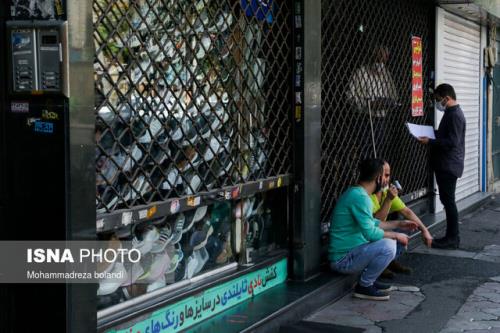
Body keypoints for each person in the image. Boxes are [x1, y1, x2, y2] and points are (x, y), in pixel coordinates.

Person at [329, 158, 418, 301]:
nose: (386, 181)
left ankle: (370, 280)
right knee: (388, 245)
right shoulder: (360, 197)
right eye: (385, 177)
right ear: (378, 178)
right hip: (343, 260)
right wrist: (395, 235)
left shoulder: (358, 194)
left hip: (352, 252)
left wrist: (399, 224)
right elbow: (370, 233)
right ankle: (364, 286)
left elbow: (373, 223)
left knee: (392, 239)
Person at [417, 83, 465, 249]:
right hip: (447, 164)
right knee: (447, 200)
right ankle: (451, 237)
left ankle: (452, 238)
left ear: (447, 98)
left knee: (448, 201)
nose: (438, 103)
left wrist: (430, 141)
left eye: (439, 100)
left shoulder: (455, 115)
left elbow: (452, 142)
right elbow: (446, 135)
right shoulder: (451, 113)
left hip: (448, 165)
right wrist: (432, 134)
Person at [371, 161, 433, 278]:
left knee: (410, 225)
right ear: (376, 176)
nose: (387, 180)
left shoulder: (385, 191)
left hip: (378, 232)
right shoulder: (368, 195)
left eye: (388, 176)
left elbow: (406, 211)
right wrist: (389, 199)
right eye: (385, 176)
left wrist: (424, 230)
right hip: (370, 235)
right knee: (394, 232)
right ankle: (379, 265)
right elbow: (374, 224)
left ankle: (388, 261)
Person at [346, 46, 399, 158]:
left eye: (383, 57)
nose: (380, 59)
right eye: (378, 55)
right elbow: (350, 96)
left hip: (380, 120)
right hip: (363, 119)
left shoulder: (387, 75)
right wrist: (368, 104)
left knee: (380, 148)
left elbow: (394, 97)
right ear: (372, 55)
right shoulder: (361, 72)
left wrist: (386, 103)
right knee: (364, 150)